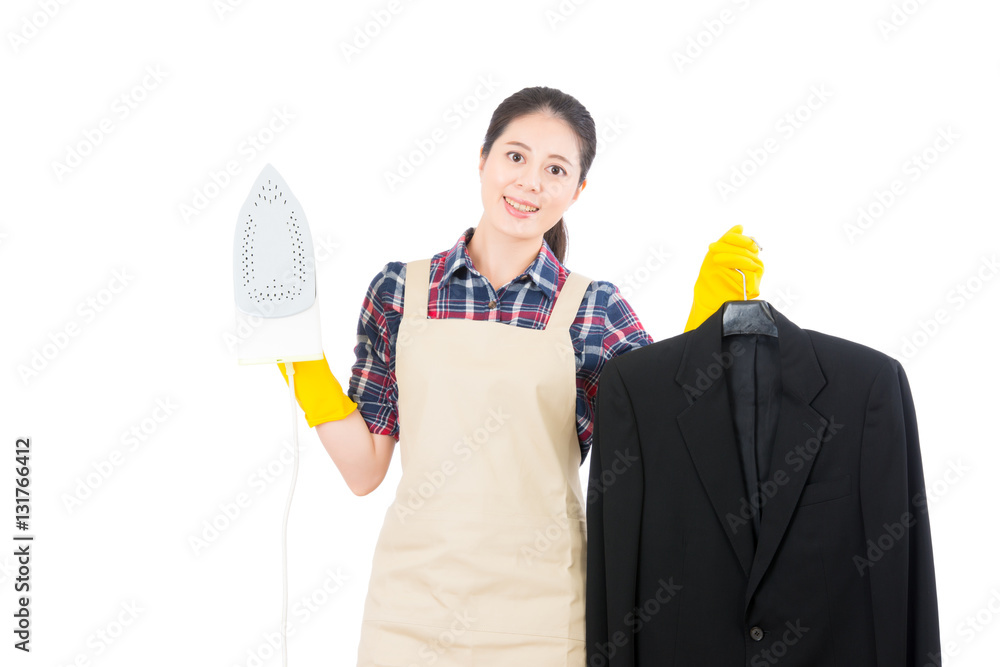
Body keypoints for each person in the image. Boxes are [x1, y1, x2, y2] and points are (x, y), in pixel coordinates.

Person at [278, 86, 763, 666]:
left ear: (577, 191)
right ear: (481, 160)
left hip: (542, 615)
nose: (530, 181)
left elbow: (662, 443)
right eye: (515, 156)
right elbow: (363, 470)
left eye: (555, 169)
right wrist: (302, 363)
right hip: (409, 614)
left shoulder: (594, 309)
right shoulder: (398, 292)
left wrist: (706, 327)